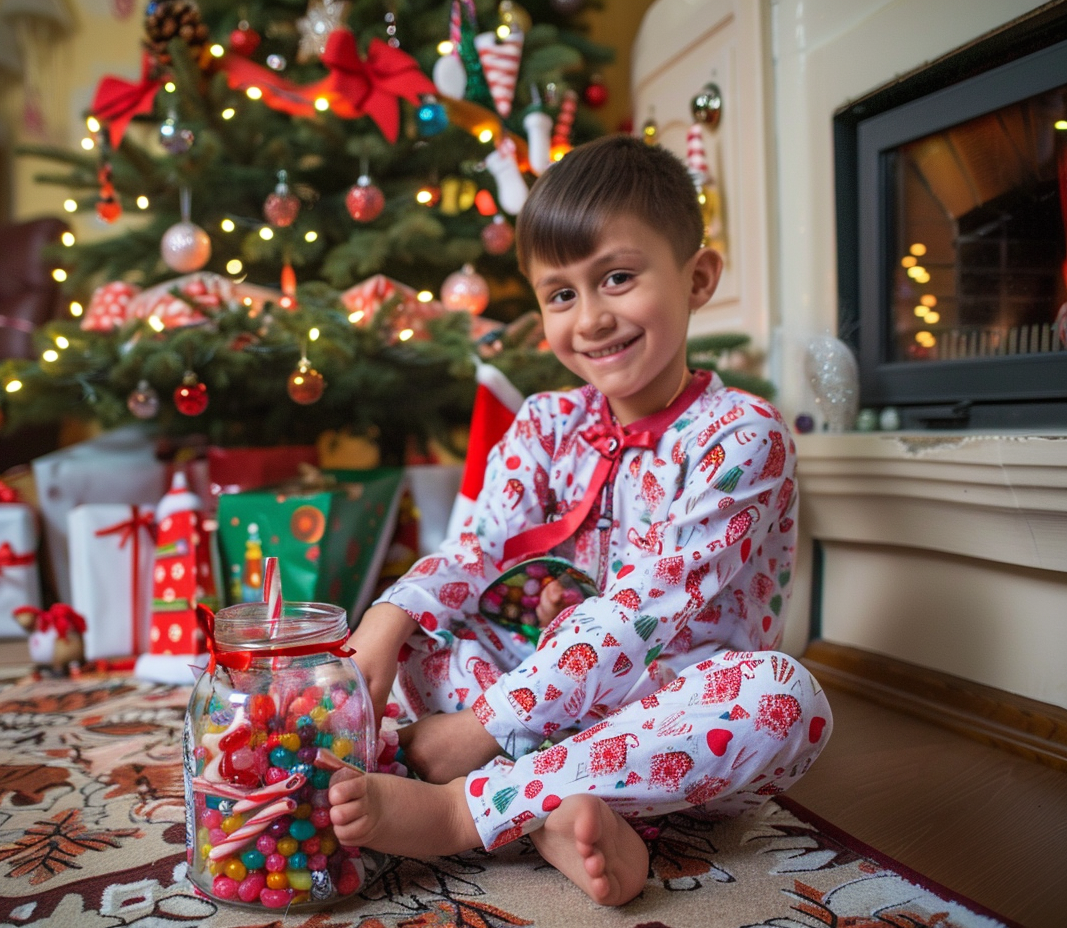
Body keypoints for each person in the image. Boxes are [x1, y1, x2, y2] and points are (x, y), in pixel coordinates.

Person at [328, 134, 833, 907]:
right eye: (561, 295)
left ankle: (472, 806)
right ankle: (553, 808)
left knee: (782, 699)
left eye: (618, 279)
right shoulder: (543, 422)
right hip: (538, 690)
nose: (592, 319)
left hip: (667, 715)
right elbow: (480, 549)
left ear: (697, 278)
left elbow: (642, 619)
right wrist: (390, 618)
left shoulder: (742, 437)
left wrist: (482, 728)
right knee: (428, 632)